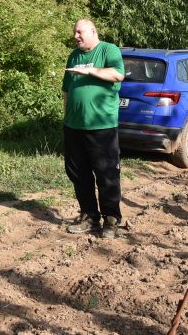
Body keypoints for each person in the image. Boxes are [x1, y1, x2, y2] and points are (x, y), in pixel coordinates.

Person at [61, 19, 125, 239]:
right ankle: (89, 216)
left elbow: (118, 75)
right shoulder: (74, 55)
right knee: (78, 173)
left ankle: (111, 219)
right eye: (74, 32)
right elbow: (66, 90)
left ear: (93, 31)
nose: (75, 36)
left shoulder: (108, 50)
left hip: (102, 126)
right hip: (74, 126)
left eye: (79, 32)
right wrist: (66, 116)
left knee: (106, 174)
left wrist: (89, 71)